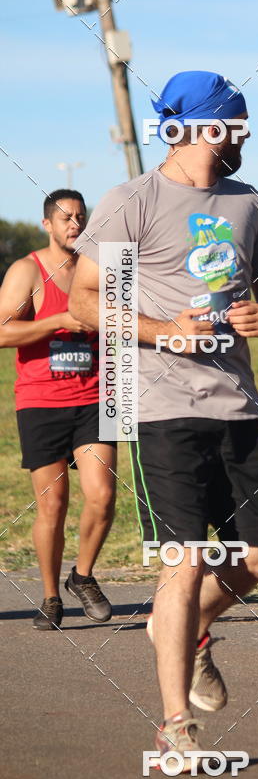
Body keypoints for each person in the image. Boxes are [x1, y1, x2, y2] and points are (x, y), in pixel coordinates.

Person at [69, 71, 258, 767]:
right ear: (206, 127)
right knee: (186, 560)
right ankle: (175, 725)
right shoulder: (132, 201)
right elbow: (84, 300)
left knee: (255, 560)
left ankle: (184, 630)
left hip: (239, 406)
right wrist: (163, 329)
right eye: (238, 126)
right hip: (163, 406)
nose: (245, 138)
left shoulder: (248, 203)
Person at [0, 190, 116, 630]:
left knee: (102, 497)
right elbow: (2, 332)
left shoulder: (100, 269)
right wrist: (57, 321)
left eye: (81, 217)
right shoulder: (27, 270)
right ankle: (50, 597)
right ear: (47, 224)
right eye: (66, 218)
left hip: (95, 398)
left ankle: (81, 576)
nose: (75, 225)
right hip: (41, 402)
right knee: (53, 505)